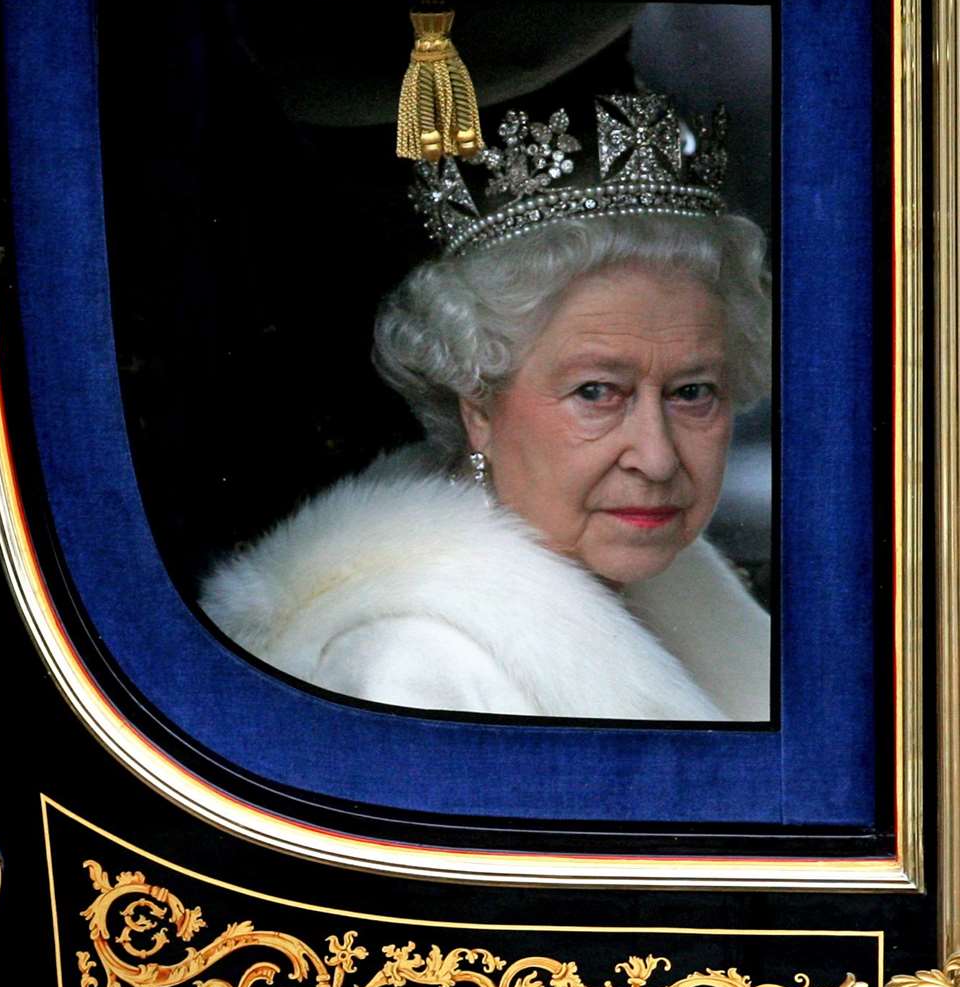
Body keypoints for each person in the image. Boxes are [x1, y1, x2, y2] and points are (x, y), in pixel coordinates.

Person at [200, 89, 771, 720]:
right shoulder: (405, 670)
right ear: (477, 406)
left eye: (693, 393)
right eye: (596, 393)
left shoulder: (673, 609)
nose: (658, 459)